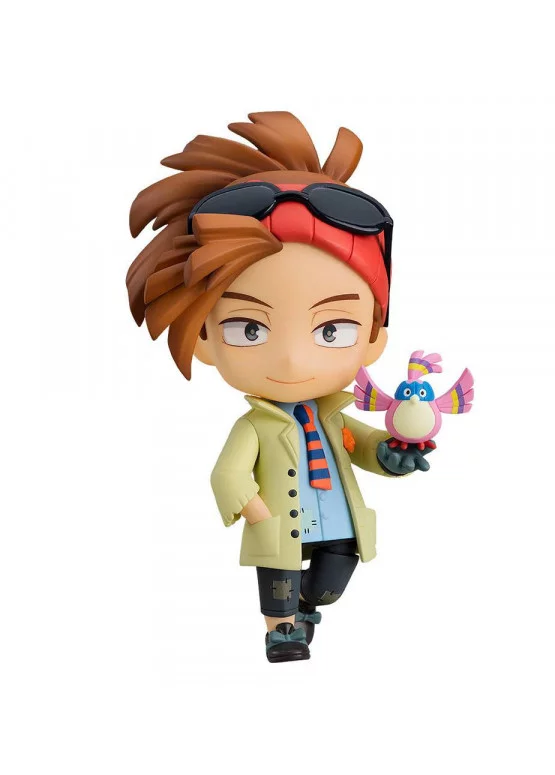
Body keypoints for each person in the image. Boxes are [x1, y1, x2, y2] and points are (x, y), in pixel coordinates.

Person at [127, 111, 432, 663]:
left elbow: (360, 444)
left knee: (332, 581)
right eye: (249, 329)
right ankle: (282, 630)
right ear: (204, 340)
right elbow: (226, 472)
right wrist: (254, 510)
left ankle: (311, 607)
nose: (291, 357)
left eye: (331, 330)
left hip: (335, 521)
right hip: (278, 525)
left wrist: (391, 454)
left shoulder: (334, 415)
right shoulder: (254, 426)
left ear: (372, 339)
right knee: (279, 587)